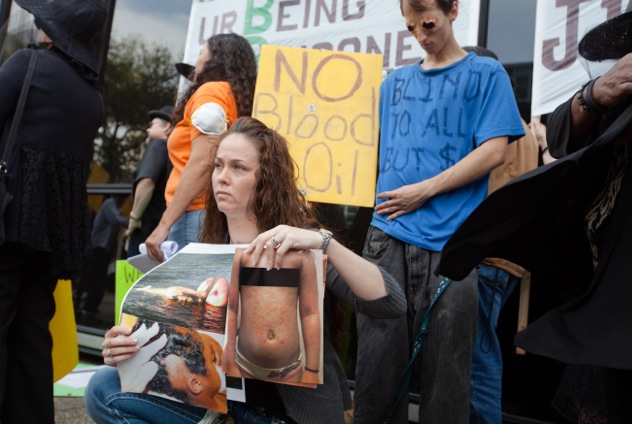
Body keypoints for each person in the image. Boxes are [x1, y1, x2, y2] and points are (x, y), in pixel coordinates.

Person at [85, 117, 406, 424]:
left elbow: (390, 302)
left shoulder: (296, 241)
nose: (222, 177)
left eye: (238, 168)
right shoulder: (207, 247)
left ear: (264, 179)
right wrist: (128, 348)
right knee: (103, 386)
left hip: (283, 415)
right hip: (220, 411)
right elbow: (182, 350)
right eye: (218, 165)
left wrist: (323, 242)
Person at [438, 1, 632, 422]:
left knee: (478, 350)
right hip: (602, 297)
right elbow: (566, 138)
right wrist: (594, 93)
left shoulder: (500, 130)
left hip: (497, 262)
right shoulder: (619, 97)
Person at [355, 1, 526, 423]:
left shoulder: (486, 74)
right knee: (376, 371)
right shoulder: (394, 83)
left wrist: (424, 191)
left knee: (448, 382)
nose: (420, 34)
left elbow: (494, 151)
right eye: (410, 26)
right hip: (386, 234)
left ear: (453, 10)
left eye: (427, 22)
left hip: (454, 245)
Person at [0, 0, 106, 422]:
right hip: (53, 232)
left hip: (8, 219)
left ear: (53, 31)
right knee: (31, 335)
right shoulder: (92, 97)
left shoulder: (28, 64)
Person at [460, 45, 539, 423]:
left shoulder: (493, 122)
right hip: (503, 257)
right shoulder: (521, 124)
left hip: (484, 256)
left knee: (476, 360)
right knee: (480, 352)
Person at [145, 33, 257, 261]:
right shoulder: (234, 97)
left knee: (188, 293)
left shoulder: (210, 93)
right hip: (212, 210)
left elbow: (203, 161)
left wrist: (164, 224)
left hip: (194, 210)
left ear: (215, 58)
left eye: (201, 53)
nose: (197, 60)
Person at [224, 249, 321, 384]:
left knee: (283, 405)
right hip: (245, 365)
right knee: (243, 405)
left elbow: (310, 313)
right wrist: (230, 363)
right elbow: (231, 308)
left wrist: (312, 370)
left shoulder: (301, 256)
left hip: (288, 370)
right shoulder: (243, 254)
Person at [127, 106, 174, 257]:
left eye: (152, 125)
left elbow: (147, 180)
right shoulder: (173, 154)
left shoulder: (158, 145)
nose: (148, 130)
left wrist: (134, 218)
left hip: (146, 232)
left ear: (166, 126)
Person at [76, 194, 129, 325]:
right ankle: (87, 311)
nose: (122, 203)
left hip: (103, 250)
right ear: (117, 197)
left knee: (97, 280)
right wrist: (132, 222)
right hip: (97, 248)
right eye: (122, 199)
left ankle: (88, 309)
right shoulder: (109, 204)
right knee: (97, 281)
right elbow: (115, 220)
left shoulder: (115, 207)